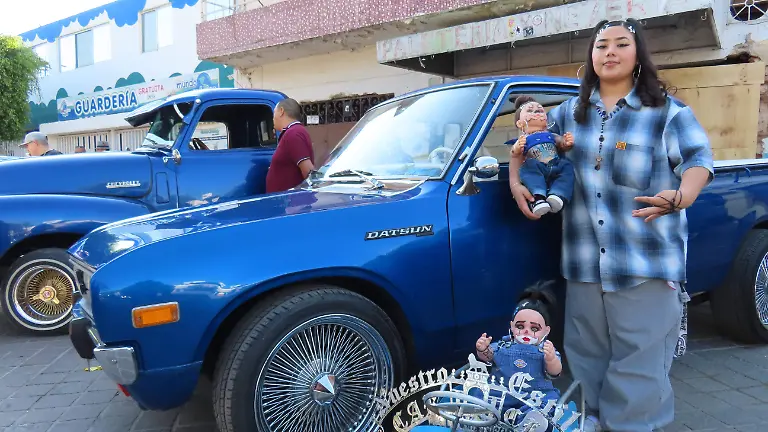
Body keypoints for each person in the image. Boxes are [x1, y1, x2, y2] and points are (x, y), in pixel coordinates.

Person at [507, 19, 714, 432]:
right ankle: (593, 423)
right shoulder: (567, 115)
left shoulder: (668, 113)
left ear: (639, 55)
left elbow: (697, 162)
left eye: (621, 44)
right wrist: (516, 182)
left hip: (646, 260)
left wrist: (681, 196)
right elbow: (534, 154)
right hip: (584, 263)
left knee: (640, 363)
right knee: (586, 358)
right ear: (592, 56)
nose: (610, 52)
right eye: (601, 45)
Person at [265, 98, 314, 193]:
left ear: (281, 111)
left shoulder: (293, 133)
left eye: (274, 113)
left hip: (289, 203)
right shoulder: (293, 132)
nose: (273, 118)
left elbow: (308, 171)